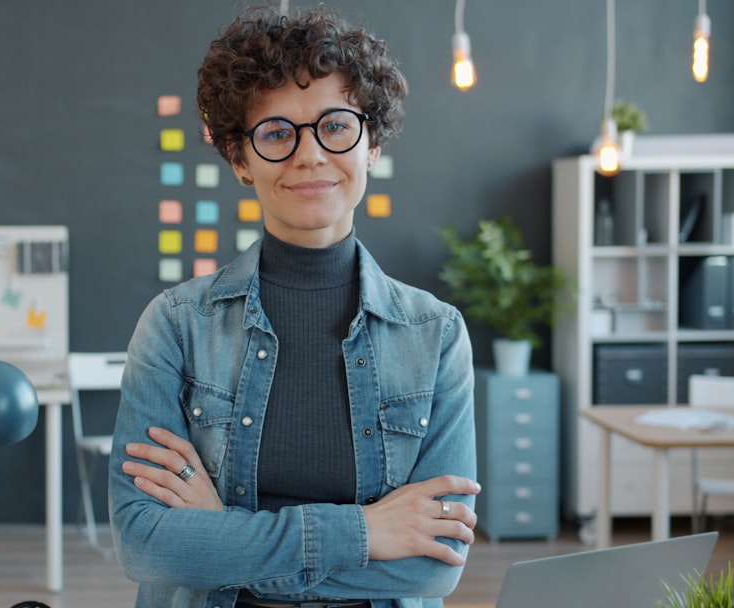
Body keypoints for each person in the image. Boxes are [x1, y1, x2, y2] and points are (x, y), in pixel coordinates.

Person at [109, 6, 480, 608]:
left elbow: (432, 568)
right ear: (240, 159)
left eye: (336, 126)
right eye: (278, 133)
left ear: (372, 143)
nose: (309, 155)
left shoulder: (435, 335)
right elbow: (146, 543)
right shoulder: (176, 325)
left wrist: (222, 536)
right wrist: (364, 532)